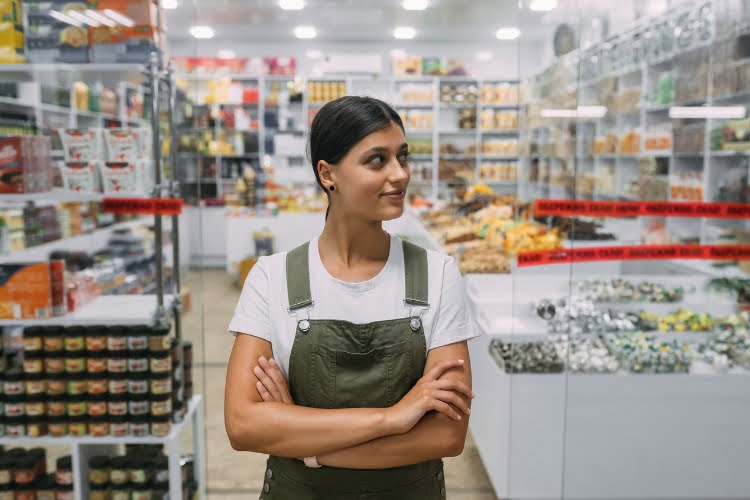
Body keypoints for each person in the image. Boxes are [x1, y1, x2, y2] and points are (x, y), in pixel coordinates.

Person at [224, 96, 479, 499]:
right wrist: (393, 418)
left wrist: (303, 441)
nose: (400, 174)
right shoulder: (271, 278)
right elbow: (243, 426)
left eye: (403, 157)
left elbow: (446, 435)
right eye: (377, 160)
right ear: (328, 174)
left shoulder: (438, 275)